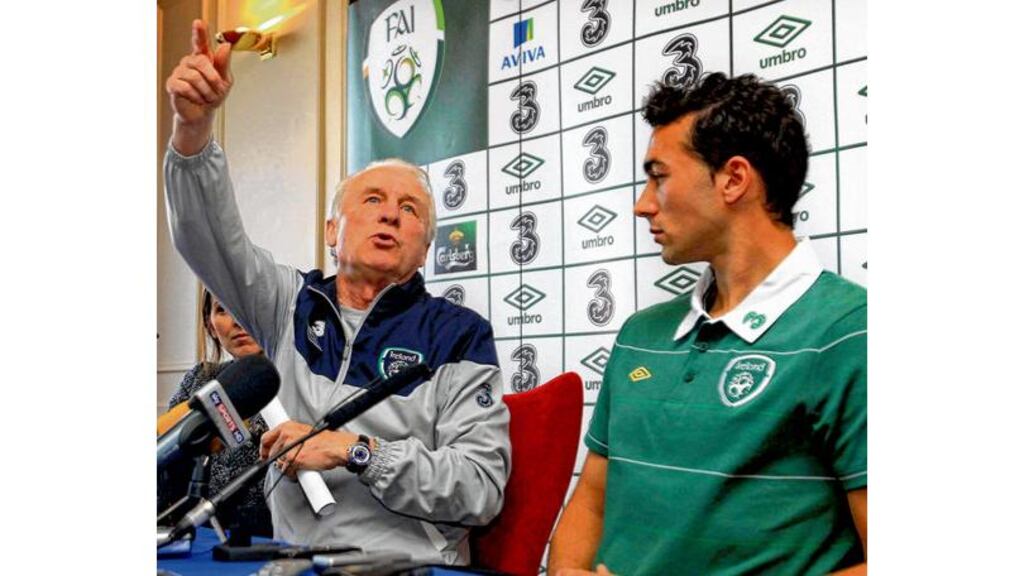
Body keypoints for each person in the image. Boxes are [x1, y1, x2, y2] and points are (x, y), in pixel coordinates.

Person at [162, 20, 510, 565]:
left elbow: (480, 489)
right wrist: (193, 129)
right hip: (293, 560)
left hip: (407, 569)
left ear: (424, 252)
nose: (392, 212)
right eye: (372, 200)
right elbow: (206, 238)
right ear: (332, 231)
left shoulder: (458, 335)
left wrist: (358, 452)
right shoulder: (287, 304)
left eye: (411, 209)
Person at [549, 73, 867, 575]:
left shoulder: (852, 332)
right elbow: (592, 497)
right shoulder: (639, 336)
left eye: (659, 176)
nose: (642, 203)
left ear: (733, 179)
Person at [158, 287, 271, 537]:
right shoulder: (199, 379)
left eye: (244, 307)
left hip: (270, 535)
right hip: (197, 533)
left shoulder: (301, 383)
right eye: (222, 310)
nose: (236, 321)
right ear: (210, 326)